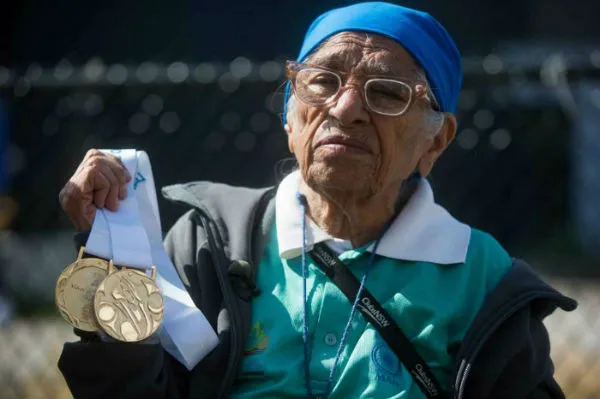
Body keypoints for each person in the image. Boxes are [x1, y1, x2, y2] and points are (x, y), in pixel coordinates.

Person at [56, 2, 576, 399]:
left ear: (435, 141)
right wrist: (111, 254)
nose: (345, 108)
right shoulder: (209, 242)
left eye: (389, 92)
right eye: (322, 81)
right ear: (289, 117)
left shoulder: (484, 279)